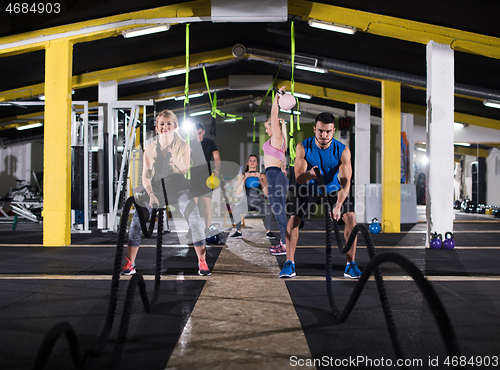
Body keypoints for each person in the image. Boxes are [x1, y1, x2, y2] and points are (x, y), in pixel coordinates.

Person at [122, 110, 211, 276]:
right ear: (157, 127)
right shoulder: (150, 148)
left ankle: (202, 261)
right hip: (156, 190)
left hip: (179, 190)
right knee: (136, 223)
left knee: (195, 220)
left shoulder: (183, 146)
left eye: (169, 123)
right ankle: (130, 263)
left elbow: (185, 169)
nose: (165, 127)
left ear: (175, 126)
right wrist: (151, 194)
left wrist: (175, 162)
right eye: (161, 124)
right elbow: (146, 175)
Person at [279, 112, 361, 279]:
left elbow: (346, 181)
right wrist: (309, 175)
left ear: (334, 131)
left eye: (328, 132)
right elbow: (299, 178)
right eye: (320, 131)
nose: (324, 135)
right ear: (314, 129)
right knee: (293, 219)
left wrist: (338, 205)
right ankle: (289, 263)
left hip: (332, 190)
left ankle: (350, 264)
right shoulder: (303, 147)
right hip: (307, 189)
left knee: (351, 217)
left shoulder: (343, 150)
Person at [263, 85, 289, 256]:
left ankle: (285, 244)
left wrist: (277, 96)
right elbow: (283, 164)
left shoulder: (277, 137)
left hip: (274, 175)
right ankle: (284, 242)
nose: (267, 129)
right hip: (276, 175)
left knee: (279, 211)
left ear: (275, 127)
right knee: (278, 210)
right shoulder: (280, 141)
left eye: (268, 127)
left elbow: (274, 114)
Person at [229, 154, 275, 239]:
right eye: (250, 160)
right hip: (246, 201)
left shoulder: (262, 176)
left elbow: (266, 192)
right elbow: (238, 191)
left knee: (268, 210)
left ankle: (269, 232)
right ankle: (238, 231)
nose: (252, 162)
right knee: (236, 210)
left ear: (257, 163)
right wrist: (245, 178)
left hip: (259, 201)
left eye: (254, 161)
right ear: (247, 163)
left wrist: (260, 179)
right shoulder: (242, 175)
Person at [189, 122, 221, 234]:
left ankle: (207, 229)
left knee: (207, 202)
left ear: (203, 131)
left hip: (206, 177)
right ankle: (192, 228)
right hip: (193, 177)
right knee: (193, 204)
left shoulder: (210, 143)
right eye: (194, 133)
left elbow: (217, 158)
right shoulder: (189, 143)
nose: (197, 136)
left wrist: (216, 169)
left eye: (199, 133)